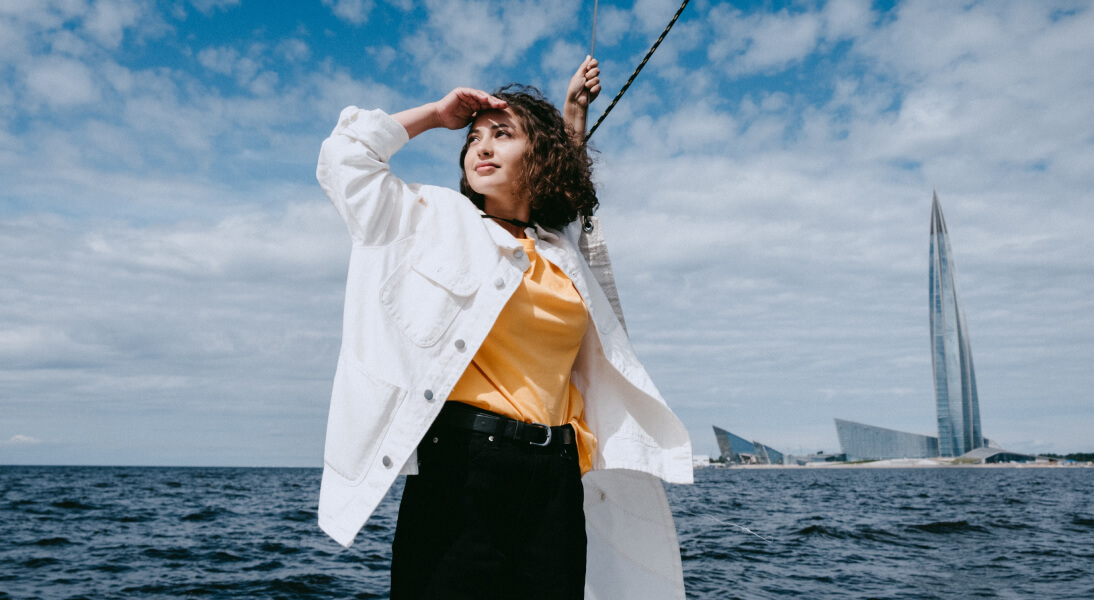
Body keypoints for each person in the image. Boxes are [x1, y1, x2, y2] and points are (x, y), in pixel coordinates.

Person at [315, 57, 693, 600]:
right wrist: (437, 113)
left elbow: (565, 188)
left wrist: (573, 115)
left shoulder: (561, 249)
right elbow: (346, 156)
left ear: (538, 156)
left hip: (556, 479)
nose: (482, 147)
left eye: (502, 134)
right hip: (462, 468)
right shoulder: (431, 218)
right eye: (473, 139)